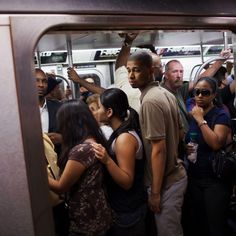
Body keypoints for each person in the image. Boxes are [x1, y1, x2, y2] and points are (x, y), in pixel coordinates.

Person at [126, 50, 187, 236]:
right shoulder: (165, 93)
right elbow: (180, 132)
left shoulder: (150, 101)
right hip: (175, 173)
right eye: (129, 70)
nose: (131, 76)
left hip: (166, 182)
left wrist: (155, 192)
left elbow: (158, 149)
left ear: (151, 71)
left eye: (137, 70)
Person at [48, 100, 113, 236]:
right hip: (97, 212)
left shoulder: (82, 150)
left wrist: (37, 172)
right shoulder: (92, 140)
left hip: (86, 220)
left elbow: (61, 187)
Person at [92, 88, 147, 236]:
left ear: (109, 112)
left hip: (128, 210)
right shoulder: (120, 132)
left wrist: (107, 160)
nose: (96, 112)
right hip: (123, 207)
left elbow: (127, 181)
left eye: (99, 108)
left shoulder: (124, 139)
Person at [184, 77, 232, 236]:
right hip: (195, 178)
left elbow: (216, 143)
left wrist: (200, 120)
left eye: (205, 92)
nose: (199, 96)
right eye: (196, 92)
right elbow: (190, 139)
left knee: (215, 226)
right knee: (199, 223)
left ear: (213, 95)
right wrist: (185, 147)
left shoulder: (220, 116)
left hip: (215, 181)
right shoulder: (192, 116)